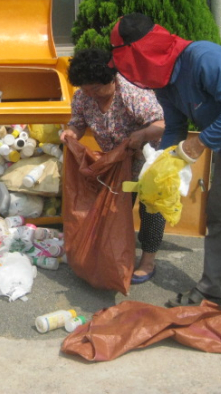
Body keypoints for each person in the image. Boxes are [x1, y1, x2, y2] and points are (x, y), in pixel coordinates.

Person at [109, 12, 221, 316]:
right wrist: (162, 163)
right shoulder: (163, 79)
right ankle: (212, 290)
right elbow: (175, 127)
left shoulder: (204, 58)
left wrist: (200, 143)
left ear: (144, 54)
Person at [60, 47, 166, 284]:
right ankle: (113, 255)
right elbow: (78, 123)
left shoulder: (132, 94)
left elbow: (161, 124)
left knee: (151, 209)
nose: (92, 94)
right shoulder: (83, 98)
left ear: (111, 79)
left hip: (147, 162)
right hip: (115, 165)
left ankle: (148, 260)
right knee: (114, 210)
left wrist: (141, 135)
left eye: (96, 88)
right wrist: (71, 133)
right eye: (86, 89)